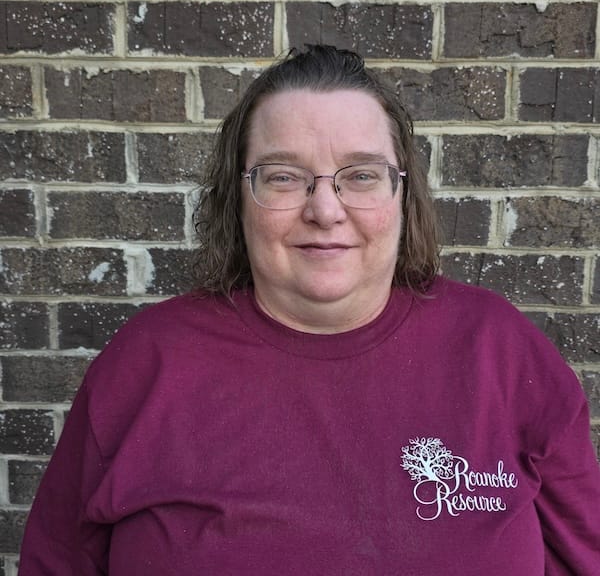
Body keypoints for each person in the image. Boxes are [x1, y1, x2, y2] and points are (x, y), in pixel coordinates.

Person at [19, 45, 600, 575]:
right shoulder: (146, 363)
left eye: (362, 175)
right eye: (284, 176)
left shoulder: (501, 352)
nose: (325, 209)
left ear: (402, 194)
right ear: (238, 199)